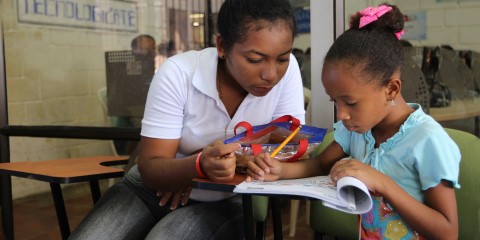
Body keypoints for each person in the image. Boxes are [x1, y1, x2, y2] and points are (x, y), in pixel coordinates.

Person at [69, 0, 304, 239]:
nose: (271, 74)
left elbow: (289, 149)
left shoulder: (289, 73)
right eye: (254, 59)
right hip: (148, 190)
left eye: (282, 59)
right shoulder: (178, 73)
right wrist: (197, 166)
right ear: (222, 46)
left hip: (225, 198)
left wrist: (189, 168)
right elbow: (151, 167)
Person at [247, 3, 460, 239]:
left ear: (391, 89)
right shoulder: (356, 130)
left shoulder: (427, 140)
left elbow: (447, 231)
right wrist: (280, 170)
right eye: (335, 102)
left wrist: (382, 183)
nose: (341, 115)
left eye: (351, 103)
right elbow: (319, 165)